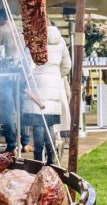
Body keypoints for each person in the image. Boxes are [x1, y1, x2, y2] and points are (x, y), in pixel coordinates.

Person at [21, 24, 70, 165]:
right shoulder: (60, 41)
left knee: (38, 124)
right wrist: (56, 76)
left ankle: (37, 159)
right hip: (53, 85)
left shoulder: (33, 40)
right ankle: (51, 157)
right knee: (48, 123)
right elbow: (67, 64)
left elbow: (27, 66)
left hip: (36, 86)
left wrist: (26, 80)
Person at [0, 8, 25, 153]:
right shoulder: (21, 30)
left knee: (7, 110)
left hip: (4, 76)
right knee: (21, 108)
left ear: (0, 17)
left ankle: (11, 144)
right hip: (21, 74)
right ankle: (25, 141)